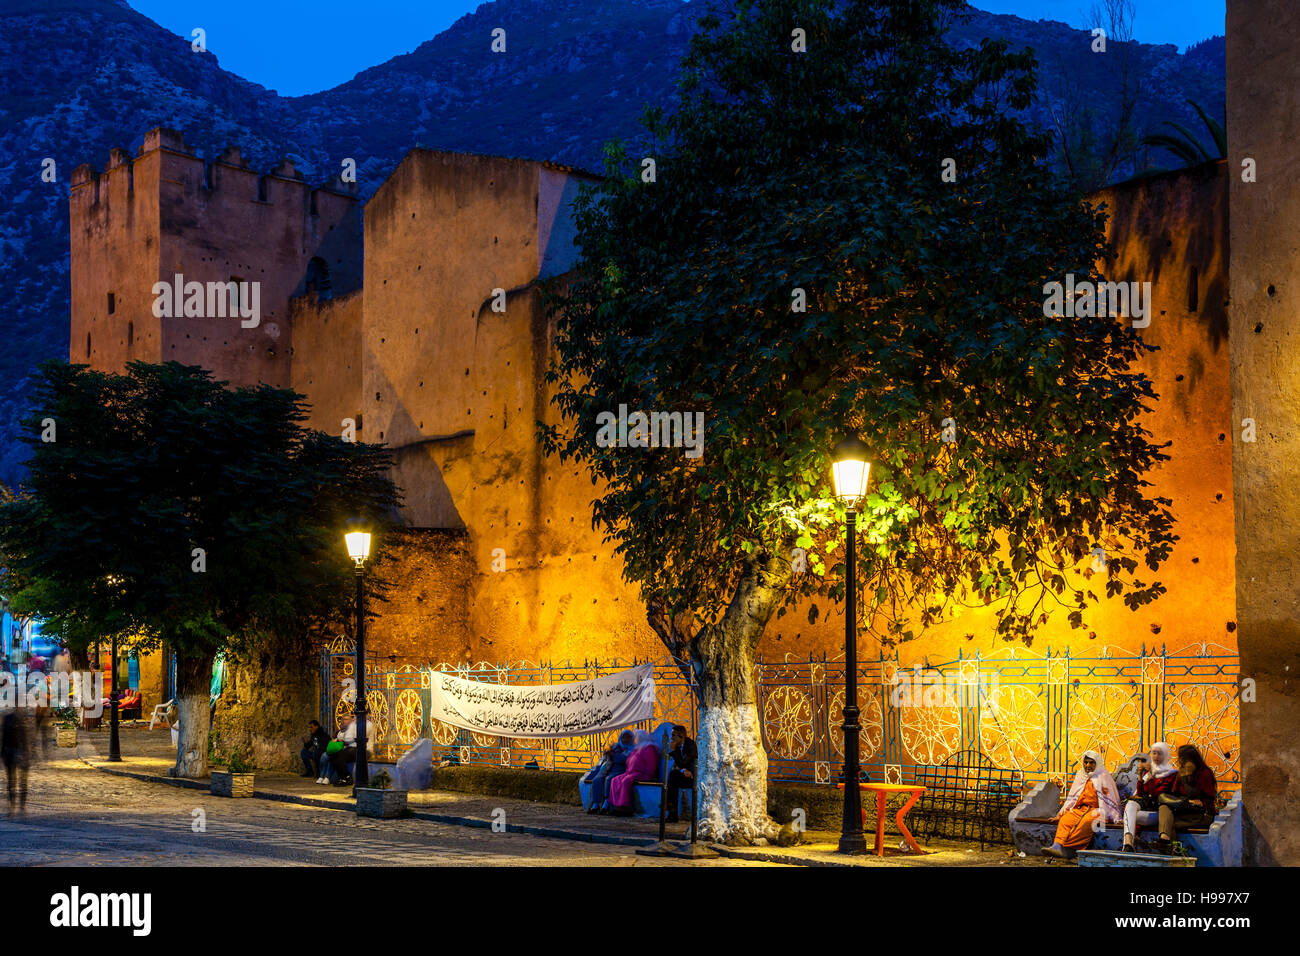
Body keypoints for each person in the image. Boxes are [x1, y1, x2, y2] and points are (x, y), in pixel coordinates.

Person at [1042, 750, 1120, 859]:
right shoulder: (1081, 774)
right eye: (1086, 762)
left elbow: (1110, 797)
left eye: (1091, 763)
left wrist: (1114, 816)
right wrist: (1060, 815)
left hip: (1098, 810)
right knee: (1066, 819)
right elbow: (1072, 797)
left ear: (1097, 763)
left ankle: (1071, 850)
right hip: (1081, 809)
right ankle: (1056, 846)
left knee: (1087, 822)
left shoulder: (1103, 776)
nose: (1088, 765)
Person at [1154, 744, 1217, 854]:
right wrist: (1184, 777)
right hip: (1184, 810)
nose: (1180, 760)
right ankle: (1166, 841)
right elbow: (1174, 794)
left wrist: (1201, 802)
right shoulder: (1182, 773)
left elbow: (1209, 798)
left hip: (1201, 814)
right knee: (1164, 806)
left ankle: (1172, 852)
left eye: (1182, 757)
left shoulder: (1204, 773)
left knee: (1169, 824)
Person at [1121, 742, 1177, 851]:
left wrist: (1151, 777)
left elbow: (1159, 795)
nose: (1156, 756)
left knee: (1128, 816)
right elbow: (1141, 794)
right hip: (1146, 809)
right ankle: (1128, 842)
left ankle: (1128, 844)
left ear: (1165, 755)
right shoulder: (1149, 771)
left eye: (1159, 753)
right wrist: (1140, 776)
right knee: (1131, 805)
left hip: (1160, 813)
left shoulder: (1171, 774)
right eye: (1154, 753)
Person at [607, 730, 661, 816]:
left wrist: (648, 775)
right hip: (630, 772)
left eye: (638, 737)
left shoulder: (649, 748)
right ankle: (615, 806)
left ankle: (625, 807)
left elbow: (651, 764)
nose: (636, 739)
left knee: (626, 781)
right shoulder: (638, 748)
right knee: (615, 780)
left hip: (641, 773)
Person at [585, 729, 635, 813]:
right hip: (608, 768)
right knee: (597, 780)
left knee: (609, 780)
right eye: (624, 738)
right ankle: (596, 804)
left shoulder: (632, 749)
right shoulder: (615, 747)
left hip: (620, 770)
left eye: (628, 738)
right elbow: (607, 757)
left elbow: (625, 759)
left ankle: (606, 803)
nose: (626, 740)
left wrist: (613, 756)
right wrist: (609, 755)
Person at [665, 724, 697, 823]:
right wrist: (683, 770)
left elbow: (684, 762)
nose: (671, 738)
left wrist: (674, 750)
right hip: (686, 774)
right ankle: (672, 812)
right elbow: (680, 764)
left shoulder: (690, 745)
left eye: (674, 735)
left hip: (695, 777)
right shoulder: (678, 746)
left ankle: (671, 811)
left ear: (681, 736)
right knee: (673, 776)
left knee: (673, 776)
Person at [1, 708, 29, 813]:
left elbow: (3, 738)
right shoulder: (23, 719)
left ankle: (14, 804)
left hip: (11, 752)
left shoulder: (8, 719)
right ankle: (19, 804)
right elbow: (25, 739)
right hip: (16, 752)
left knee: (14, 780)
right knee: (18, 781)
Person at [325, 717, 358, 785]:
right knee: (331, 755)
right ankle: (346, 776)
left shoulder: (356, 727)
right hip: (346, 748)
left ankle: (344, 778)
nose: (343, 721)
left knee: (339, 755)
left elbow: (349, 739)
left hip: (355, 748)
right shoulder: (343, 729)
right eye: (342, 719)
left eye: (346, 719)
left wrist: (340, 740)